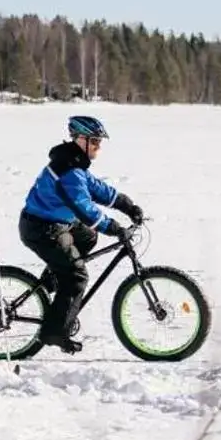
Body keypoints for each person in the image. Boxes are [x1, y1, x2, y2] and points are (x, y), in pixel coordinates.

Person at [19, 114, 144, 353]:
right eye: (95, 141)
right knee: (77, 276)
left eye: (99, 142)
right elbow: (85, 209)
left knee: (88, 237)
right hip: (41, 228)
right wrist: (114, 227)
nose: (98, 147)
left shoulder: (74, 163)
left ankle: (52, 282)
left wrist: (127, 205)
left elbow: (98, 189)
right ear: (80, 139)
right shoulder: (68, 171)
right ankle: (55, 332)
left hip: (57, 222)